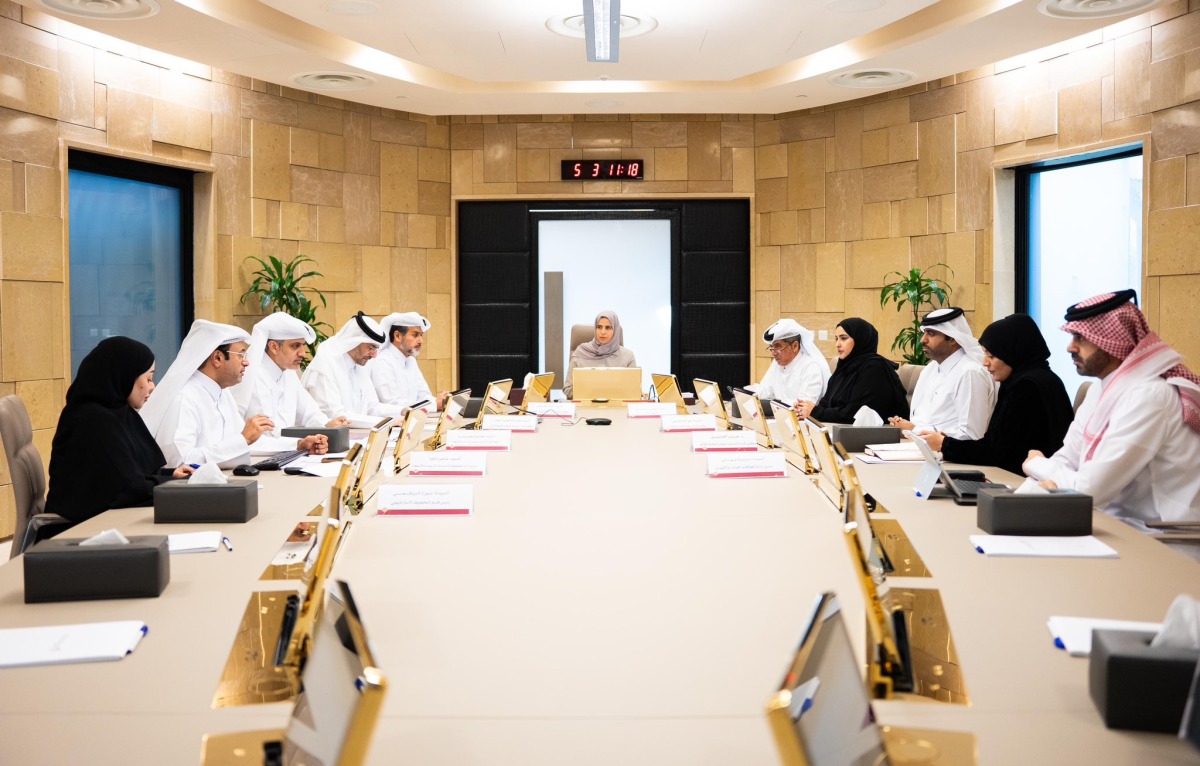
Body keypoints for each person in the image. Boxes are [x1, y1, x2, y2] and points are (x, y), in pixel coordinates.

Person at [1023, 290, 1200, 541]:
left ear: (1113, 340)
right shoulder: (1100, 389)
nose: (1070, 347)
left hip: (1161, 540)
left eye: (1081, 338)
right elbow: (1068, 458)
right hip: (1110, 527)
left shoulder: (1150, 395)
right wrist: (1046, 475)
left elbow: (1089, 491)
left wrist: (1035, 463)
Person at [44, 337, 194, 524]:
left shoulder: (118, 413)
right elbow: (127, 490)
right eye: (148, 378)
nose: (152, 386)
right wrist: (173, 484)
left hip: (109, 521)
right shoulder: (92, 420)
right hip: (79, 530)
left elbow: (133, 474)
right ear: (125, 376)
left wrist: (171, 475)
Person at [917, 314, 1073, 476]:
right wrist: (948, 442)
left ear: (1011, 353)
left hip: (1026, 480)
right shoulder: (1019, 381)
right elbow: (996, 443)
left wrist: (945, 444)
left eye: (991, 356)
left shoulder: (1027, 388)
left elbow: (1001, 453)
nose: (985, 362)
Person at [140, 319, 275, 468]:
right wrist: (243, 440)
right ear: (217, 358)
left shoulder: (224, 393)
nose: (246, 362)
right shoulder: (184, 398)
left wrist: (294, 445)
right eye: (241, 355)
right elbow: (181, 461)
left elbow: (246, 443)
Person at [231, 311, 347, 455]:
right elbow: (267, 434)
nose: (302, 353)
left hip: (287, 453)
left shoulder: (288, 372)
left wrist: (327, 424)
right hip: (259, 456)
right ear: (274, 347)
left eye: (303, 345)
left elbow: (309, 412)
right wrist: (298, 444)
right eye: (295, 346)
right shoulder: (251, 376)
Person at [888, 307, 996, 439]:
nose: (923, 340)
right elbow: (922, 421)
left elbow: (971, 436)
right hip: (916, 445)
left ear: (953, 338)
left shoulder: (970, 373)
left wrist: (914, 430)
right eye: (924, 333)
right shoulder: (929, 369)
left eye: (931, 333)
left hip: (950, 451)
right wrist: (905, 427)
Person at [794, 318, 909, 423]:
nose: (837, 344)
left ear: (860, 339)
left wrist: (815, 412)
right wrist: (805, 409)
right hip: (844, 430)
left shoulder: (874, 368)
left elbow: (854, 414)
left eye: (843, 338)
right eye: (836, 339)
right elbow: (826, 402)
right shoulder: (844, 366)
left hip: (878, 435)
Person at [301, 312, 407, 426]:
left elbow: (372, 408)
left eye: (376, 349)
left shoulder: (359, 364)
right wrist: (386, 422)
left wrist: (402, 411)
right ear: (354, 341)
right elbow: (337, 417)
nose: (374, 355)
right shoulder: (324, 366)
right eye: (371, 348)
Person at [371, 311, 449, 413]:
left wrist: (439, 401)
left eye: (421, 335)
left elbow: (423, 395)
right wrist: (434, 405)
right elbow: (392, 403)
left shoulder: (411, 361)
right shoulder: (382, 361)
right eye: (415, 335)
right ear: (398, 336)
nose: (421, 341)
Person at [753, 318, 831, 406]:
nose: (773, 353)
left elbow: (803, 405)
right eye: (772, 347)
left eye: (778, 347)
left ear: (795, 346)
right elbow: (765, 391)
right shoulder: (777, 363)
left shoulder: (810, 367)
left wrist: (775, 406)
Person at [562, 310, 638, 399]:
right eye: (599, 327)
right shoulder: (580, 352)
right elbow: (567, 388)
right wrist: (593, 396)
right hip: (585, 406)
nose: (602, 332)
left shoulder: (628, 356)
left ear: (615, 330)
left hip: (617, 406)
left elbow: (634, 389)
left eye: (608, 327)